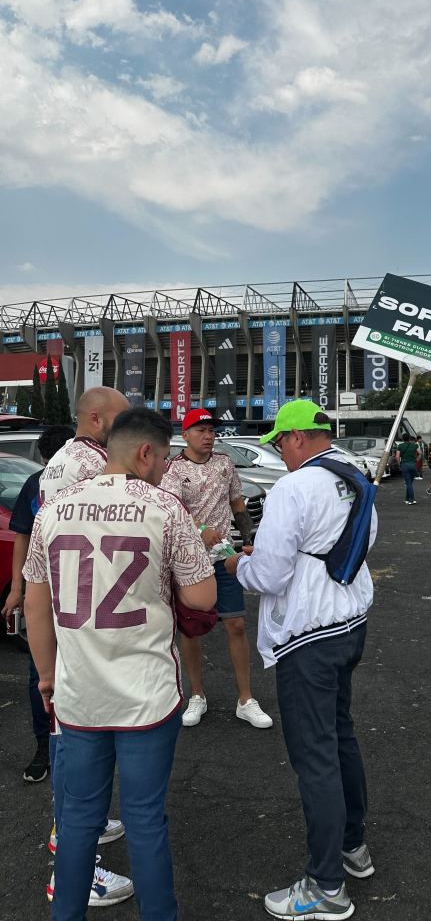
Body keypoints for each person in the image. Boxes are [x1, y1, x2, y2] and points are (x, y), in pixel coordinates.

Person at [24, 408, 216, 921]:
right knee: (146, 818)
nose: (163, 472)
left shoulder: (55, 507)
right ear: (145, 452)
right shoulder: (165, 508)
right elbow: (201, 597)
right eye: (161, 461)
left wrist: (46, 676)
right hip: (147, 691)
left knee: (79, 819)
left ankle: (66, 914)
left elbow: (35, 603)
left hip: (78, 691)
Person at [230, 400, 377, 921]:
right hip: (349, 623)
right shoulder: (356, 475)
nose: (279, 452)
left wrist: (237, 567)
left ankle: (326, 886)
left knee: (315, 756)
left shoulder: (294, 487)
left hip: (307, 635)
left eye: (279, 442)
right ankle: (352, 846)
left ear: (296, 438)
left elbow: (269, 575)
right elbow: (362, 543)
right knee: (340, 737)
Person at [40, 386, 131, 906]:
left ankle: (83, 827)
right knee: (75, 738)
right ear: (97, 419)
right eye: (121, 419)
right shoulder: (93, 469)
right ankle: (71, 868)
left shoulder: (61, 461)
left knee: (75, 732)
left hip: (66, 612)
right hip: (85, 620)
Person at [162, 408, 272, 729]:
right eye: (201, 430)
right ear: (185, 435)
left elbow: (238, 504)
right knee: (192, 629)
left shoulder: (225, 464)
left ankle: (246, 699)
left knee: (235, 625)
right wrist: (199, 528)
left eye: (211, 430)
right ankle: (196, 695)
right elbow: (172, 513)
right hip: (188, 560)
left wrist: (249, 538)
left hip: (225, 557)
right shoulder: (173, 469)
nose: (208, 436)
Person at [1, 425, 74, 782]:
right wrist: (17, 589)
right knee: (39, 674)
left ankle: (77, 748)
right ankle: (43, 748)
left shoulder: (94, 482)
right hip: (44, 592)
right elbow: (22, 536)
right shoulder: (36, 484)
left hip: (83, 594)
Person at [396, 433, 419, 504]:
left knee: (408, 483)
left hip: (405, 465)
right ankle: (407, 498)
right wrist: (416, 460)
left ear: (402, 439)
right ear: (409, 438)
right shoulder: (415, 445)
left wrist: (399, 465)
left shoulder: (400, 446)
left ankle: (412, 499)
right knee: (410, 483)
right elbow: (420, 453)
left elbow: (397, 456)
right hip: (413, 464)